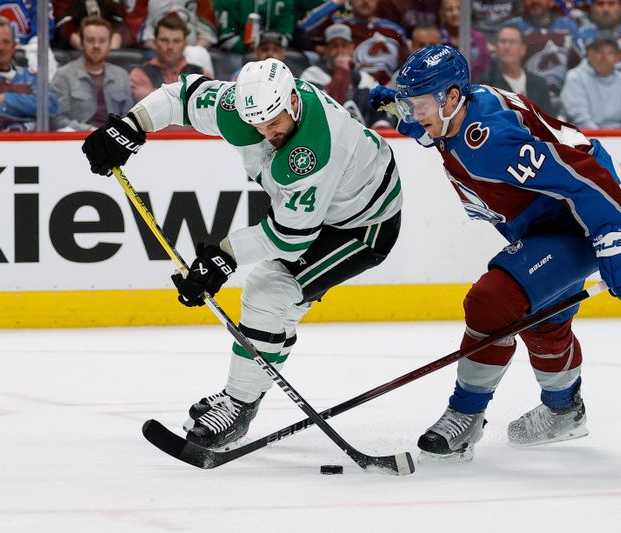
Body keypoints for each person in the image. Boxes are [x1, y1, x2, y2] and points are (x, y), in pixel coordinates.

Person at [81, 58, 403, 449]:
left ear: (294, 102)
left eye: (273, 123)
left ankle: (239, 405)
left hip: (364, 223)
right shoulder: (243, 107)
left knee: (270, 292)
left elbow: (289, 237)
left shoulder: (315, 148)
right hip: (323, 207)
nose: (266, 134)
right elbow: (179, 96)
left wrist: (222, 257)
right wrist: (131, 126)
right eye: (257, 125)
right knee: (277, 305)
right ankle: (244, 393)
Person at [368, 45, 621, 459]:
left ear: (450, 97)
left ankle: (465, 415)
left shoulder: (489, 141)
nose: (414, 113)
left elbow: (579, 176)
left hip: (574, 223)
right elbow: (437, 129)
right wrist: (402, 110)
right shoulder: (461, 108)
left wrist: (616, 242)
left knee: (492, 301)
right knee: (542, 321)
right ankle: (563, 412)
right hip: (544, 223)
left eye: (420, 104)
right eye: (411, 104)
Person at [0, 17, 57, 130]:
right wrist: (30, 107)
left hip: (32, 142)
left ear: (14, 46)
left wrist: (6, 97)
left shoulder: (30, 76)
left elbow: (50, 106)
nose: (1, 47)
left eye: (6, 42)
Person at [50, 16, 133, 131]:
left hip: (115, 141)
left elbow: (130, 118)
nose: (96, 46)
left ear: (109, 44)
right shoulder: (63, 75)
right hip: (77, 140)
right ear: (82, 42)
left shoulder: (122, 75)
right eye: (90, 40)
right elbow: (57, 120)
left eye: (102, 41)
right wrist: (88, 130)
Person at [299, 0, 409, 85]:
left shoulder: (395, 30)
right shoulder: (338, 26)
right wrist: (336, 2)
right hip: (352, 90)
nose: (365, 1)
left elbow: (407, 65)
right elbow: (303, 28)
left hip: (390, 95)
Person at [300, 23, 387, 127]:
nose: (340, 50)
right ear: (326, 50)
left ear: (352, 48)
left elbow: (381, 116)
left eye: (344, 45)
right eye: (334, 46)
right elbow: (323, 110)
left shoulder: (366, 79)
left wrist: (381, 128)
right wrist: (342, 70)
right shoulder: (311, 75)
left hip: (363, 139)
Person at [560, 31, 621, 129]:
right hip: (585, 138)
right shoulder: (575, 77)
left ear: (618, 57)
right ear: (589, 53)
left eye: (610, 53)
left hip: (620, 138)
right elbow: (580, 118)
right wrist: (601, 141)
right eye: (598, 51)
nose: (603, 57)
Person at [129, 14, 211, 103]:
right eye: (164, 40)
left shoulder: (203, 74)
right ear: (155, 43)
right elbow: (153, 107)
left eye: (176, 41)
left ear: (185, 44)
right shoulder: (139, 74)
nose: (170, 47)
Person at [506, 0, 581, 93]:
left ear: (551, 1)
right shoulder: (512, 28)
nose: (534, 1)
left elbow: (580, 66)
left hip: (566, 96)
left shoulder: (568, 27)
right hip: (526, 97)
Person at [482, 24, 555, 115]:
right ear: (496, 48)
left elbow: (549, 121)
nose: (507, 47)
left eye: (512, 42)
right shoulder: (485, 84)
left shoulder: (539, 83)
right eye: (503, 41)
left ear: (523, 49)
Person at [576, 0, 621, 80]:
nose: (606, 9)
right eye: (600, 4)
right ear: (592, 9)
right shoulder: (580, 39)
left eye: (611, 4)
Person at [439, 0, 491, 83]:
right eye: (449, 9)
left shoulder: (479, 38)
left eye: (459, 8)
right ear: (442, 14)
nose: (455, 13)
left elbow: (486, 70)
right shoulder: (438, 39)